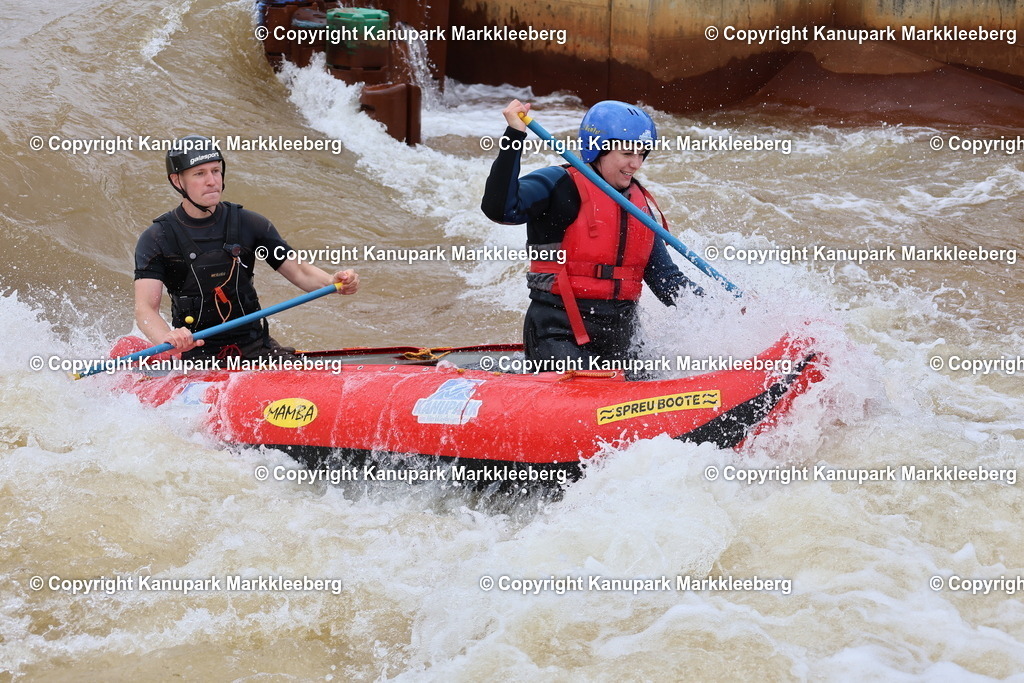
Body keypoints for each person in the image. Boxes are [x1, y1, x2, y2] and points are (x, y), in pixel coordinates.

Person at [481, 99, 703, 370]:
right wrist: (514, 136)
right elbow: (500, 208)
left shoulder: (638, 206)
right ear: (598, 149)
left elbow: (667, 281)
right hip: (558, 334)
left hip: (623, 340)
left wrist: (723, 311)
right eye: (627, 153)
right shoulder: (558, 185)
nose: (636, 163)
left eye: (642, 153)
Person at [134, 135, 359, 360]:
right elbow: (146, 309)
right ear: (177, 181)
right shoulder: (157, 238)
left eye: (215, 171)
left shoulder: (249, 224)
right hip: (194, 357)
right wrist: (168, 339)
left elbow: (300, 272)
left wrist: (333, 282)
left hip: (255, 349)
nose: (212, 181)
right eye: (199, 174)